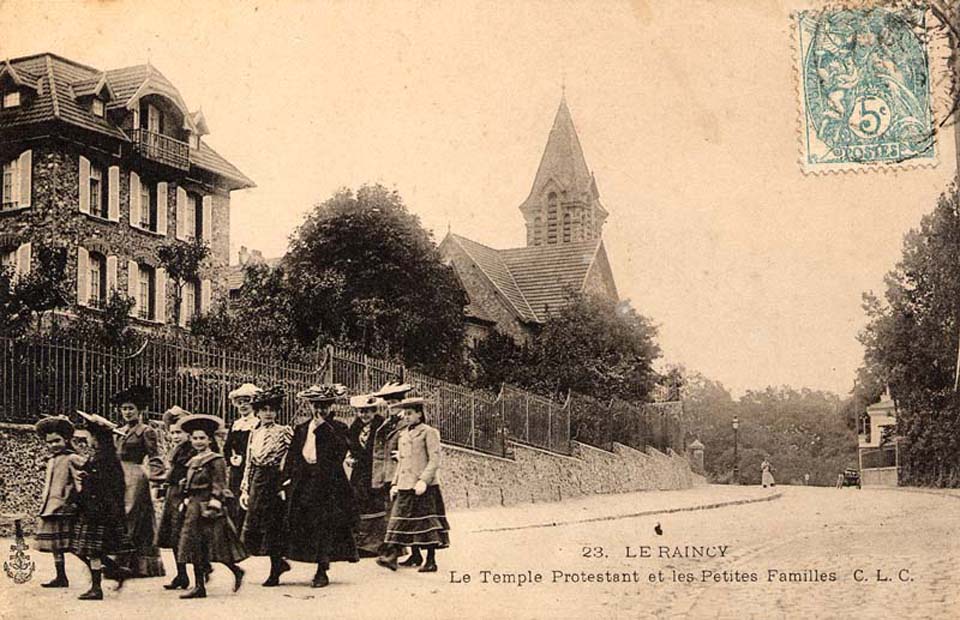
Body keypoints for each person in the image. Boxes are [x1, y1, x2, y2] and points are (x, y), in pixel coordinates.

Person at [281, 384, 359, 588]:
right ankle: (293, 560)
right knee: (303, 522)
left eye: (324, 406)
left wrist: (323, 427)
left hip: (329, 484)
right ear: (310, 406)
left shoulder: (339, 428)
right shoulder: (301, 428)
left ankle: (322, 569)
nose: (320, 410)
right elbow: (293, 455)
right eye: (316, 405)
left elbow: (339, 452)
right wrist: (286, 478)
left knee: (325, 525)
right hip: (305, 481)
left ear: (331, 406)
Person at [176, 414, 247, 599]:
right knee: (193, 546)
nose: (198, 441)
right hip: (193, 506)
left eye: (202, 438)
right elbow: (189, 483)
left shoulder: (215, 459)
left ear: (209, 440)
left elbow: (219, 484)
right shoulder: (193, 460)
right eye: (195, 438)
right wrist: (185, 498)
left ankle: (236, 570)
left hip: (208, 507)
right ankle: (199, 586)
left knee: (216, 546)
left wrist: (215, 504)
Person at [379, 397, 449, 573]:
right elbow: (401, 462)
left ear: (419, 414)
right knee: (402, 520)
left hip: (423, 487)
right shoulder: (403, 434)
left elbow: (434, 460)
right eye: (405, 414)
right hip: (405, 484)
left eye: (410, 413)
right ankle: (414, 556)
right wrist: (395, 483)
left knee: (426, 523)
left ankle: (431, 560)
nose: (406, 417)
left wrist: (423, 480)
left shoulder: (429, 432)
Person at [72, 411, 134, 600]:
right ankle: (116, 570)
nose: (88, 441)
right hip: (96, 507)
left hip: (98, 509)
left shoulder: (104, 459)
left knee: (92, 550)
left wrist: (87, 478)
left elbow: (105, 484)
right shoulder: (102, 456)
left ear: (97, 438)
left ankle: (97, 588)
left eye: (90, 437)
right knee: (86, 549)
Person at [239, 386, 293, 587]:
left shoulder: (284, 431)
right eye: (264, 410)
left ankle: (275, 569)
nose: (268, 413)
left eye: (272, 410)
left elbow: (293, 458)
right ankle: (279, 563)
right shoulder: (254, 433)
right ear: (258, 412)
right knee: (255, 525)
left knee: (273, 526)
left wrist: (285, 482)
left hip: (275, 481)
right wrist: (245, 488)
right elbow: (249, 462)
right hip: (258, 480)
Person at [112, 385, 165, 578]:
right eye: (124, 408)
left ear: (140, 410)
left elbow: (154, 456)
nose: (127, 412)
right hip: (118, 475)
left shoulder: (146, 431)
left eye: (131, 408)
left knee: (130, 515)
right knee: (121, 515)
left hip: (135, 476)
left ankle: (122, 563)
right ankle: (136, 565)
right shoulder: (117, 431)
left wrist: (158, 479)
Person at [34, 415, 84, 588]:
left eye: (57, 441)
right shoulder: (51, 459)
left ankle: (108, 567)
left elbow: (80, 480)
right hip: (50, 506)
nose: (53, 445)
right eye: (49, 442)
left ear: (67, 439)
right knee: (55, 544)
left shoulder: (72, 458)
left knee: (76, 545)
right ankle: (61, 577)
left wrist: (77, 500)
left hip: (65, 506)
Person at [370, 382, 416, 566]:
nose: (391, 406)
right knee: (393, 513)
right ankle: (414, 554)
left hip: (401, 472)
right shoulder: (387, 423)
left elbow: (416, 444)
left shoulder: (408, 422)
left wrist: (404, 454)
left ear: (402, 403)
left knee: (398, 514)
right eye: (389, 403)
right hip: (385, 474)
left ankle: (392, 554)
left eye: (395, 402)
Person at [154, 406, 197, 590]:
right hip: (172, 493)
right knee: (172, 535)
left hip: (184, 494)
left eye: (179, 432)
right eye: (172, 433)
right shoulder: (177, 449)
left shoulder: (192, 450)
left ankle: (197, 571)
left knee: (183, 535)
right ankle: (181, 575)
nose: (175, 436)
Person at [346, 394, 386, 557]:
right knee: (358, 503)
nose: (364, 415)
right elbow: (350, 447)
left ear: (374, 411)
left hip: (375, 470)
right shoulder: (354, 428)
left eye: (368, 411)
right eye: (361, 411)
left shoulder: (382, 426)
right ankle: (361, 544)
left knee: (376, 504)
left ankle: (376, 545)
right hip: (359, 473)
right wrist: (349, 457)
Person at [223, 383, 262, 529]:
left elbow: (257, 447)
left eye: (246, 401)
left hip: (250, 468)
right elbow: (227, 446)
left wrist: (244, 459)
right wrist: (230, 458)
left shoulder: (258, 423)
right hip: (236, 470)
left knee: (248, 501)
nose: (243, 405)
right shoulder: (236, 424)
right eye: (240, 402)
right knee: (233, 501)